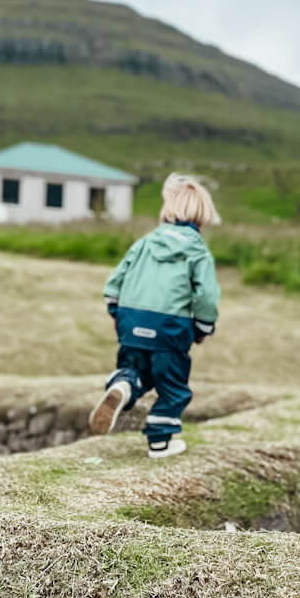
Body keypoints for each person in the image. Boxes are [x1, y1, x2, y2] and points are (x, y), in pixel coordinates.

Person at [90, 174, 221, 457]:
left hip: (131, 321)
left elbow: (115, 282)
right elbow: (206, 296)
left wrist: (116, 312)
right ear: (202, 215)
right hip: (170, 327)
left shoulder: (145, 243)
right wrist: (203, 326)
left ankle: (123, 385)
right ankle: (160, 441)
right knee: (172, 387)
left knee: (136, 370)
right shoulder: (198, 251)